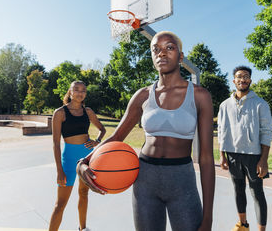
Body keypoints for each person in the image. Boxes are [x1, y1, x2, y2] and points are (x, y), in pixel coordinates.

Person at [77, 31, 215, 231]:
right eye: (156, 50)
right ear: (152, 57)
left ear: (181, 56)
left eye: (169, 47)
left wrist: (208, 218)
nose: (162, 53)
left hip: (181, 180)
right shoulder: (142, 95)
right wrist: (84, 161)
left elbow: (206, 158)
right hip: (145, 180)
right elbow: (117, 137)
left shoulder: (200, 96)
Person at [218, 66, 272, 231]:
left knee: (257, 194)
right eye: (239, 76)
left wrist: (263, 159)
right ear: (234, 81)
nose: (243, 79)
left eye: (246, 76)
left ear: (250, 80)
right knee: (238, 190)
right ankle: (243, 225)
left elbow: (266, 132)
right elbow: (221, 130)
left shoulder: (260, 104)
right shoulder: (224, 105)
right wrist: (222, 155)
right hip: (233, 154)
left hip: (253, 155)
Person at [49, 81, 106, 231]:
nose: (80, 93)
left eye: (83, 90)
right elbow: (55, 143)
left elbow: (102, 129)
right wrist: (59, 170)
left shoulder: (88, 111)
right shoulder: (60, 113)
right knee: (60, 204)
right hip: (68, 160)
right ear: (70, 91)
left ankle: (83, 228)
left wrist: (96, 141)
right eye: (77, 89)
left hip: (86, 158)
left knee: (83, 193)